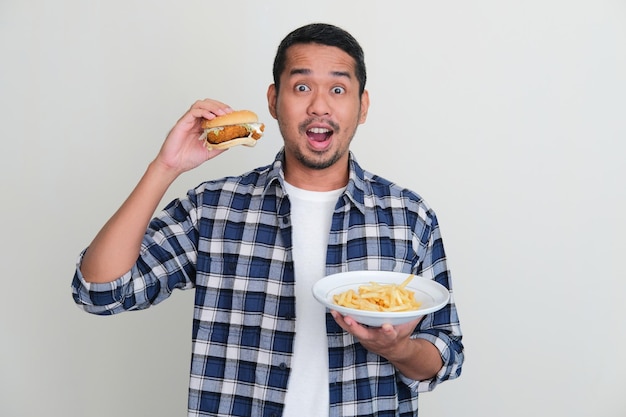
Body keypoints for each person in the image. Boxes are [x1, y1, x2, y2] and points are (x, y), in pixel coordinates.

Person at [72, 22, 464, 417]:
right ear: (274, 101)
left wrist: (397, 349)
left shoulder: (409, 216)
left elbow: (445, 354)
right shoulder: (215, 207)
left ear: (362, 107)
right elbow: (100, 292)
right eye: (302, 87)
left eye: (338, 89)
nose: (320, 106)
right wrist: (165, 166)